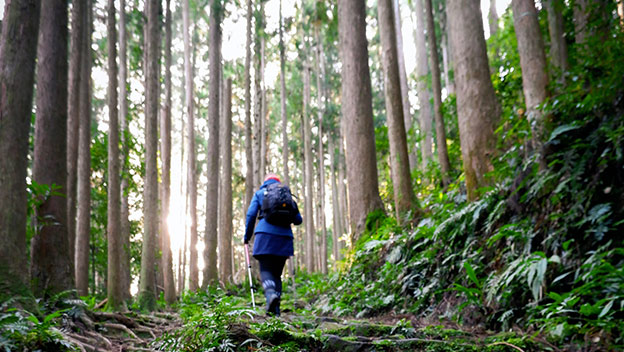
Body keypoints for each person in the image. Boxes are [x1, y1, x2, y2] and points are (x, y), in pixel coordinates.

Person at [244, 173, 302, 316]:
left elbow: (251, 215)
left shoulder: (260, 193)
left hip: (265, 236)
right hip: (284, 238)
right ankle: (275, 312)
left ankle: (270, 295)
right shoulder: (286, 196)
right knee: (277, 274)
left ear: (265, 182)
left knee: (266, 271)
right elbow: (298, 219)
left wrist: (247, 236)